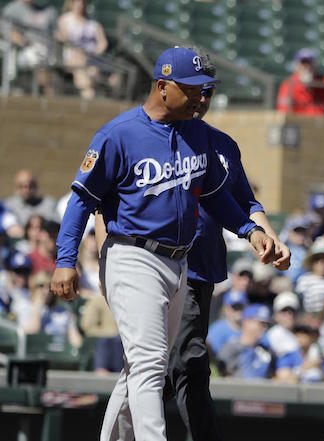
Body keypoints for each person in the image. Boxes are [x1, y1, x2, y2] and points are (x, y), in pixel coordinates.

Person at [50, 47, 275, 441]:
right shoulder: (119, 134)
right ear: (163, 87)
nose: (202, 99)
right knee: (153, 366)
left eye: (206, 91)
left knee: (139, 369)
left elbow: (215, 196)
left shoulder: (196, 135)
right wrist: (66, 259)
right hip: (133, 254)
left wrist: (249, 230)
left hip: (180, 263)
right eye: (194, 90)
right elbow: (82, 201)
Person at [56, 0, 108, 99]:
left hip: (91, 61)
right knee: (83, 75)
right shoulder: (65, 20)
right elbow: (62, 38)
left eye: (82, 2)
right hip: (72, 60)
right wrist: (80, 54)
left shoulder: (93, 23)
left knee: (94, 73)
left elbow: (103, 43)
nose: (80, 5)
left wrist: (94, 54)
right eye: (77, 2)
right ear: (71, 3)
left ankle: (89, 95)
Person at [277, 48, 324, 116]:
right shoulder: (289, 84)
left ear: (314, 65)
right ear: (297, 65)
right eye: (303, 63)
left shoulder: (323, 81)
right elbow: (283, 112)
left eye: (309, 63)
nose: (307, 67)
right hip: (298, 125)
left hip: (321, 125)